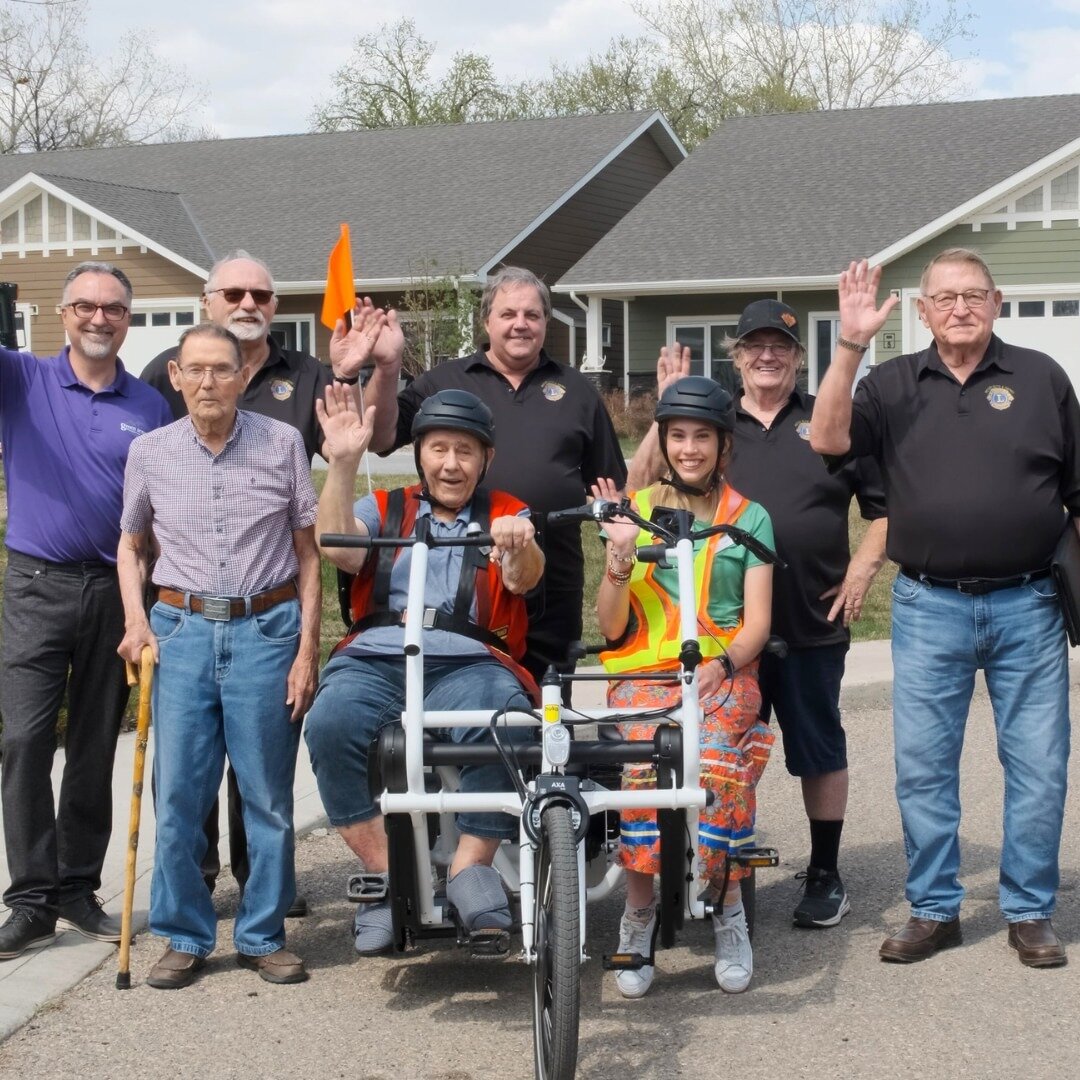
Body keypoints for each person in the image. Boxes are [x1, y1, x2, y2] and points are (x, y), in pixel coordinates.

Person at [811, 250, 1076, 968]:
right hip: (930, 606)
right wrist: (851, 344)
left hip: (1030, 603)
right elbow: (829, 439)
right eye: (945, 298)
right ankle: (933, 908)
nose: (960, 308)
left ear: (997, 302)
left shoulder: (1042, 380)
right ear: (922, 311)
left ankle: (1028, 910)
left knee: (1040, 764)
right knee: (925, 765)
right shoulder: (891, 384)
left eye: (974, 295)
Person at [140, 252, 400, 911]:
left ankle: (264, 894)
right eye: (234, 291)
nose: (248, 301)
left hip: (269, 604)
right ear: (208, 301)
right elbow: (147, 481)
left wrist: (369, 371)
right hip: (185, 604)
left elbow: (359, 440)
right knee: (186, 776)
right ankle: (193, 890)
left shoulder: (309, 373)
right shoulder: (163, 375)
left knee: (260, 774)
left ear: (275, 306)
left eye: (261, 292)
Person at [628, 300, 888, 928]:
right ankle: (714, 870)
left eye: (781, 346)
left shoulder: (828, 420)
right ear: (737, 356)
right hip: (719, 631)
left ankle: (824, 872)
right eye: (755, 345)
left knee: (818, 747)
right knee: (717, 753)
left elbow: (882, 509)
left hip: (807, 617)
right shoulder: (709, 423)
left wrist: (861, 569)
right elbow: (636, 485)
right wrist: (667, 405)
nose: (767, 355)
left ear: (799, 357)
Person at [304, 386, 543, 955]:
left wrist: (519, 543)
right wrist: (341, 463)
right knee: (330, 723)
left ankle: (470, 869)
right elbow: (337, 548)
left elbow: (524, 578)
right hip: (377, 659)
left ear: (485, 460)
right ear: (419, 455)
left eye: (465, 451)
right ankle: (387, 876)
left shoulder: (508, 513)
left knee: (508, 724)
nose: (451, 464)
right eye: (439, 449)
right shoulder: (384, 507)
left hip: (468, 662)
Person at [117, 323, 321, 988]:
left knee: (266, 797)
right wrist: (136, 622)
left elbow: (308, 553)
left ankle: (263, 934)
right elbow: (131, 546)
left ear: (242, 376)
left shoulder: (283, 442)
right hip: (180, 632)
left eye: (221, 370)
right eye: (195, 370)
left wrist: (306, 651)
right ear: (175, 377)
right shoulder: (149, 452)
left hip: (266, 630)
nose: (208, 383)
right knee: (178, 795)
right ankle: (184, 933)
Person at [0, 262, 173, 961]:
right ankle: (31, 901)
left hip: (118, 591)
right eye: (85, 307)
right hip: (35, 586)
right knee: (24, 741)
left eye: (113, 309)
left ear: (127, 319)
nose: (99, 318)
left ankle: (77, 888)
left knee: (97, 746)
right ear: (64, 313)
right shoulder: (23, 379)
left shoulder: (152, 405)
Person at [351, 266, 626, 684]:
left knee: (548, 705)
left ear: (545, 323)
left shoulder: (577, 390)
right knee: (468, 700)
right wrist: (387, 369)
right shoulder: (444, 382)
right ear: (486, 321)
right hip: (461, 589)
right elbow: (381, 437)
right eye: (508, 313)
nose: (521, 324)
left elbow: (610, 489)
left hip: (550, 580)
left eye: (532, 315)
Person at [597, 376, 774, 997]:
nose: (690, 448)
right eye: (678, 436)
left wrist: (722, 665)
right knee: (643, 765)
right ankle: (638, 916)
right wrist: (620, 558)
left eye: (703, 437)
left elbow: (757, 623)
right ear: (664, 442)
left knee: (718, 763)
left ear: (723, 445)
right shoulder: (635, 510)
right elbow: (610, 624)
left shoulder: (749, 518)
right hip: (645, 674)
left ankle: (727, 911)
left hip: (722, 672)